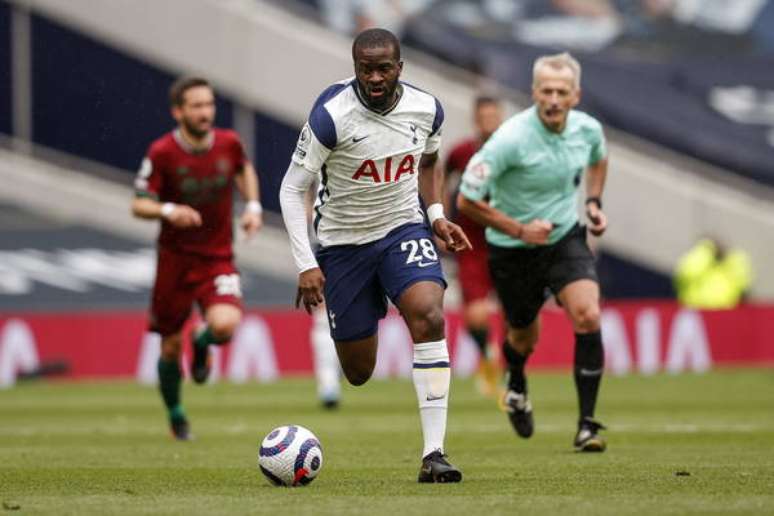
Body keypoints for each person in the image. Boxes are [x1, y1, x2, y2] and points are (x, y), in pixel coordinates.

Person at [279, 28, 471, 482]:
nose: (375, 77)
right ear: (355, 69)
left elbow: (428, 161)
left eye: (384, 68)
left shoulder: (427, 108)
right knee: (359, 371)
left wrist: (438, 214)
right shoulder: (330, 116)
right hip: (343, 246)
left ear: (400, 67)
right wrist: (306, 262)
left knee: (429, 314)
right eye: (366, 69)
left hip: (402, 228)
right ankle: (372, 304)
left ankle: (434, 454)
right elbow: (292, 190)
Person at [457, 52, 610, 452]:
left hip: (564, 238)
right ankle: (517, 382)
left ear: (575, 95)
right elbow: (466, 200)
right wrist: (519, 229)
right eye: (547, 91)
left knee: (588, 314)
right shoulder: (509, 139)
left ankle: (587, 426)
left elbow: (598, 159)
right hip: (513, 249)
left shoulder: (588, 130)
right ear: (534, 93)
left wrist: (593, 203)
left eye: (562, 91)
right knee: (523, 338)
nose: (554, 99)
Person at [132, 77, 263, 440]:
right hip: (175, 261)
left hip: (217, 257)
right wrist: (169, 210)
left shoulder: (229, 143)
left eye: (209, 104)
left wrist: (252, 206)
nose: (206, 112)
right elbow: (138, 203)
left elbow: (243, 168)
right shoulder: (162, 152)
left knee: (224, 325)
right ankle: (176, 414)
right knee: (170, 346)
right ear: (178, 111)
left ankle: (202, 345)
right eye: (197, 106)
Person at [443, 95, 504, 397]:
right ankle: (487, 354)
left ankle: (512, 366)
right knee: (476, 316)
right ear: (475, 120)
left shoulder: (512, 151)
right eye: (484, 117)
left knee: (517, 317)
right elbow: (441, 178)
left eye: (494, 116)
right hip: (471, 244)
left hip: (508, 241)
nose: (489, 122)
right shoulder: (461, 153)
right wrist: (439, 219)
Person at [674, 238, 753, 309]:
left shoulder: (729, 264)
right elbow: (686, 274)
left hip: (726, 312)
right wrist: (706, 252)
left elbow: (744, 281)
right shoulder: (699, 260)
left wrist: (729, 258)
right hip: (697, 311)